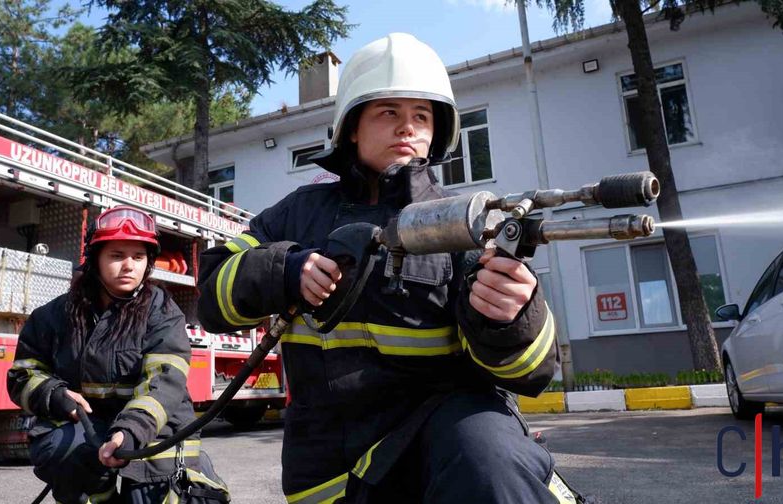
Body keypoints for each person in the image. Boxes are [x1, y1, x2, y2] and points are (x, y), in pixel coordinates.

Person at [197, 33, 580, 503]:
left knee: (493, 455)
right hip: (334, 476)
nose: (408, 128)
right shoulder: (298, 214)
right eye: (388, 112)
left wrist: (511, 319)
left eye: (421, 115)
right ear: (352, 127)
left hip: (445, 450)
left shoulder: (468, 225)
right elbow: (211, 293)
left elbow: (531, 373)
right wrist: (285, 271)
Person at [8, 206, 228, 504]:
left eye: (138, 257)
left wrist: (130, 431)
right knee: (62, 452)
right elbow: (23, 373)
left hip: (153, 429)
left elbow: (163, 383)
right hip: (89, 430)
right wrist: (53, 394)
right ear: (95, 258)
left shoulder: (162, 312)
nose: (129, 266)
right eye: (117, 255)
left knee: (155, 496)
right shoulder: (55, 315)